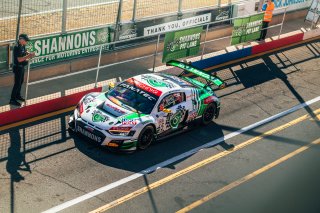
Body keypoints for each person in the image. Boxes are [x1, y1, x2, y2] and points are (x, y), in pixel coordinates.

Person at [9, 34, 35, 107]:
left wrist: (28, 53)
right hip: (17, 67)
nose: (26, 42)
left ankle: (17, 95)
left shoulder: (22, 45)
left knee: (20, 82)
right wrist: (29, 56)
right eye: (25, 40)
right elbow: (19, 59)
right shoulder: (16, 47)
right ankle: (12, 99)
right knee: (17, 83)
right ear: (21, 39)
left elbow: (24, 51)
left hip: (21, 67)